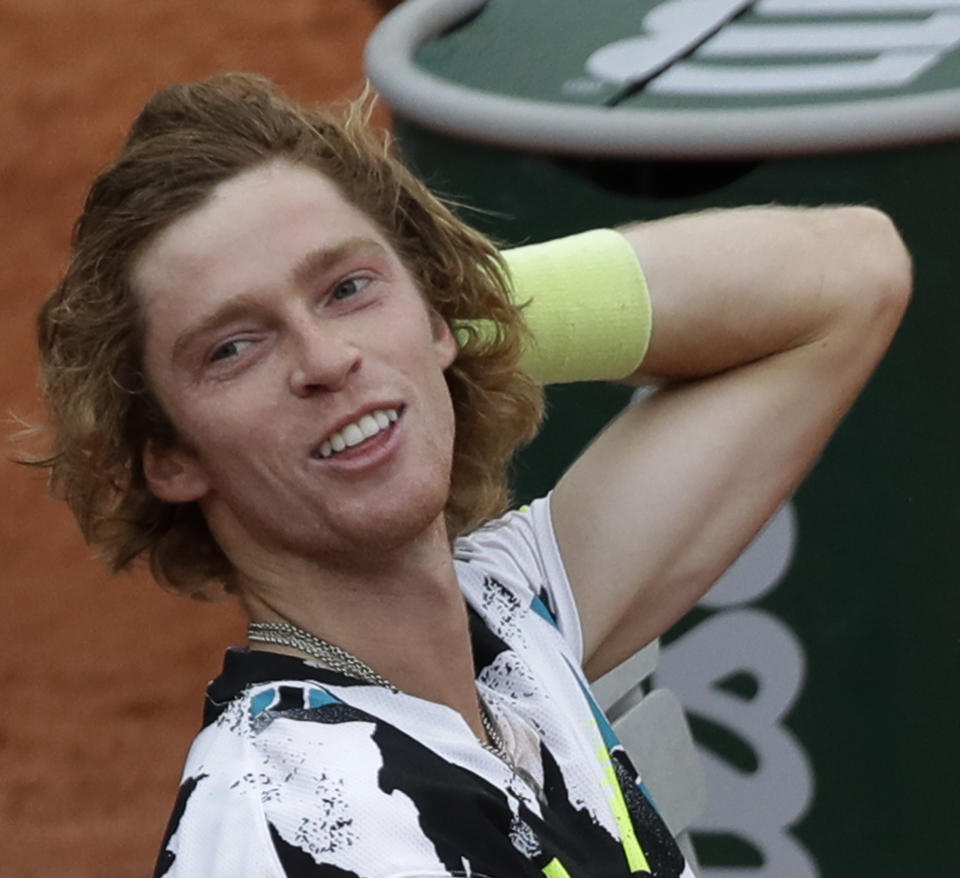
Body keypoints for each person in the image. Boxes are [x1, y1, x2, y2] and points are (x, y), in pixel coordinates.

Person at [34, 73, 911, 878]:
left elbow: (851, 274)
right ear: (172, 456)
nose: (326, 359)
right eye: (234, 347)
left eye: (347, 288)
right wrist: (399, 330)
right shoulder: (281, 831)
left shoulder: (507, 619)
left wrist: (437, 325)